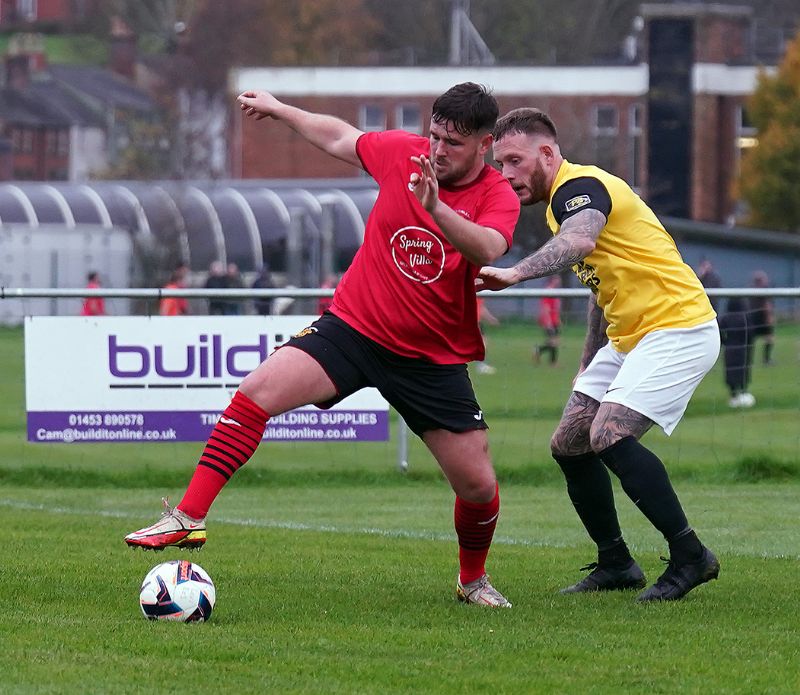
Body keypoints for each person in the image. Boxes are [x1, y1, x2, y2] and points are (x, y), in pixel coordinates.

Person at [125, 82, 521, 608]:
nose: (437, 150)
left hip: (430, 357)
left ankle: (472, 581)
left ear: (484, 144)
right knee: (256, 391)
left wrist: (436, 210)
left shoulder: (497, 195)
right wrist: (281, 110)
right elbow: (341, 137)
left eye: (452, 142)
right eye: (434, 136)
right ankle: (188, 517)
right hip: (354, 328)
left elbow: (489, 246)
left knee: (477, 486)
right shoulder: (405, 154)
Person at [478, 107, 720, 602]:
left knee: (607, 433)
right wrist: (588, 362)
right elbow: (599, 287)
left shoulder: (578, 188)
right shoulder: (557, 205)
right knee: (569, 443)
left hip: (678, 325)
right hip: (631, 336)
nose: (506, 175)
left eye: (514, 161)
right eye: (500, 164)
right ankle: (616, 562)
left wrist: (515, 273)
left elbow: (580, 239)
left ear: (547, 153)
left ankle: (690, 555)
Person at [718, 297, 755, 408]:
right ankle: (744, 392)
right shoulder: (745, 317)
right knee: (744, 369)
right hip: (743, 347)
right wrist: (748, 343)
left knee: (731, 371)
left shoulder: (726, 318)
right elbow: (751, 332)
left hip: (730, 348)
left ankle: (733, 395)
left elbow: (719, 330)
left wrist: (725, 342)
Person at [747, 270, 775, 366]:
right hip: (762, 317)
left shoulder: (751, 289)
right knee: (769, 338)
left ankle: (749, 361)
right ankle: (766, 360)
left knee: (751, 340)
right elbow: (767, 305)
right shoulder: (764, 289)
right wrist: (769, 316)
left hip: (753, 317)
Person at [534, 275, 562, 366]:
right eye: (557, 279)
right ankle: (553, 362)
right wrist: (548, 321)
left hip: (554, 320)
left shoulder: (554, 291)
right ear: (552, 280)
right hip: (549, 321)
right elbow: (546, 308)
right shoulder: (548, 291)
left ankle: (539, 350)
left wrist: (558, 319)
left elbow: (555, 308)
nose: (559, 281)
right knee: (554, 341)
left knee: (554, 341)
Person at [475, 297, 499, 375]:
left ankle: (481, 365)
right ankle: (481, 366)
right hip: (472, 320)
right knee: (482, 343)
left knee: (483, 342)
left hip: (477, 321)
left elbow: (480, 307)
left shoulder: (479, 294)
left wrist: (490, 318)